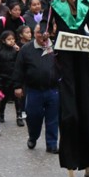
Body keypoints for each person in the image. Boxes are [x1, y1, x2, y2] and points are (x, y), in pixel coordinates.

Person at [43, 0, 89, 173]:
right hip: (64, 58)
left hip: (83, 56)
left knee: (86, 106)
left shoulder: (86, 1)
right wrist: (44, 33)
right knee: (69, 113)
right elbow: (46, 24)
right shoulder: (54, 3)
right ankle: (69, 158)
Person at [13, 19, 59, 152]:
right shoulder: (26, 49)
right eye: (39, 32)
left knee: (53, 118)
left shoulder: (56, 47)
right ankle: (33, 136)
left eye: (45, 32)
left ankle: (51, 144)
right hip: (34, 91)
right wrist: (17, 86)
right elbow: (19, 68)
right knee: (33, 117)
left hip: (53, 90)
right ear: (34, 33)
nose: (42, 35)